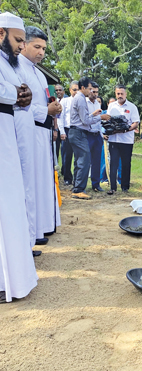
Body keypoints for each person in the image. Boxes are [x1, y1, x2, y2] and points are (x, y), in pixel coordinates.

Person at [0, 12, 38, 303]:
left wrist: (18, 94)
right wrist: (16, 95)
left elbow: (18, 90)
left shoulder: (9, 62)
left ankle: (13, 278)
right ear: (0, 33)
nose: (20, 47)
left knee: (11, 201)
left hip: (9, 134)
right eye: (17, 40)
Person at [20, 26, 62, 238]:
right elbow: (20, 104)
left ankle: (41, 228)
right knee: (31, 182)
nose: (41, 52)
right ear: (24, 44)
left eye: (44, 48)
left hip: (44, 131)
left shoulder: (40, 73)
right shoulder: (18, 67)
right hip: (29, 131)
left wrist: (54, 108)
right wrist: (45, 110)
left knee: (43, 180)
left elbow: (47, 98)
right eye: (37, 47)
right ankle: (31, 232)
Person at [69, 76, 109, 199]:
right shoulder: (81, 99)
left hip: (77, 132)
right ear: (83, 87)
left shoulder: (79, 98)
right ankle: (78, 189)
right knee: (84, 161)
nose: (91, 91)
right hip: (79, 132)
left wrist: (94, 115)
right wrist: (100, 117)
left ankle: (77, 186)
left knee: (80, 160)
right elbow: (85, 120)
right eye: (89, 89)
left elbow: (83, 117)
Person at [106, 84, 139, 194]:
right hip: (114, 139)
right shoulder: (111, 106)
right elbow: (108, 120)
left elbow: (136, 123)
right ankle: (113, 187)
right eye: (118, 94)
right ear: (115, 94)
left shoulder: (132, 107)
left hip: (126, 140)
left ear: (125, 94)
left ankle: (125, 186)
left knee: (126, 163)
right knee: (113, 163)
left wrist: (126, 129)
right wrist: (109, 130)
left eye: (122, 94)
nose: (120, 96)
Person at [59, 80, 79, 185]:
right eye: (74, 90)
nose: (76, 92)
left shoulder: (83, 101)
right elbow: (60, 117)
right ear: (70, 90)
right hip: (67, 129)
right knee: (67, 155)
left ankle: (77, 178)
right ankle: (67, 177)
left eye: (78, 90)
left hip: (78, 130)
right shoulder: (65, 101)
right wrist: (62, 131)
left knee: (78, 156)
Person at [86, 81, 104, 192]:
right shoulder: (84, 102)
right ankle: (80, 184)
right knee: (85, 161)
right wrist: (95, 114)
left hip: (97, 135)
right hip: (87, 134)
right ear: (89, 90)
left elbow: (99, 121)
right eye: (93, 91)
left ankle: (96, 184)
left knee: (97, 161)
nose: (95, 94)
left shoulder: (97, 104)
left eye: (97, 92)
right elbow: (84, 119)